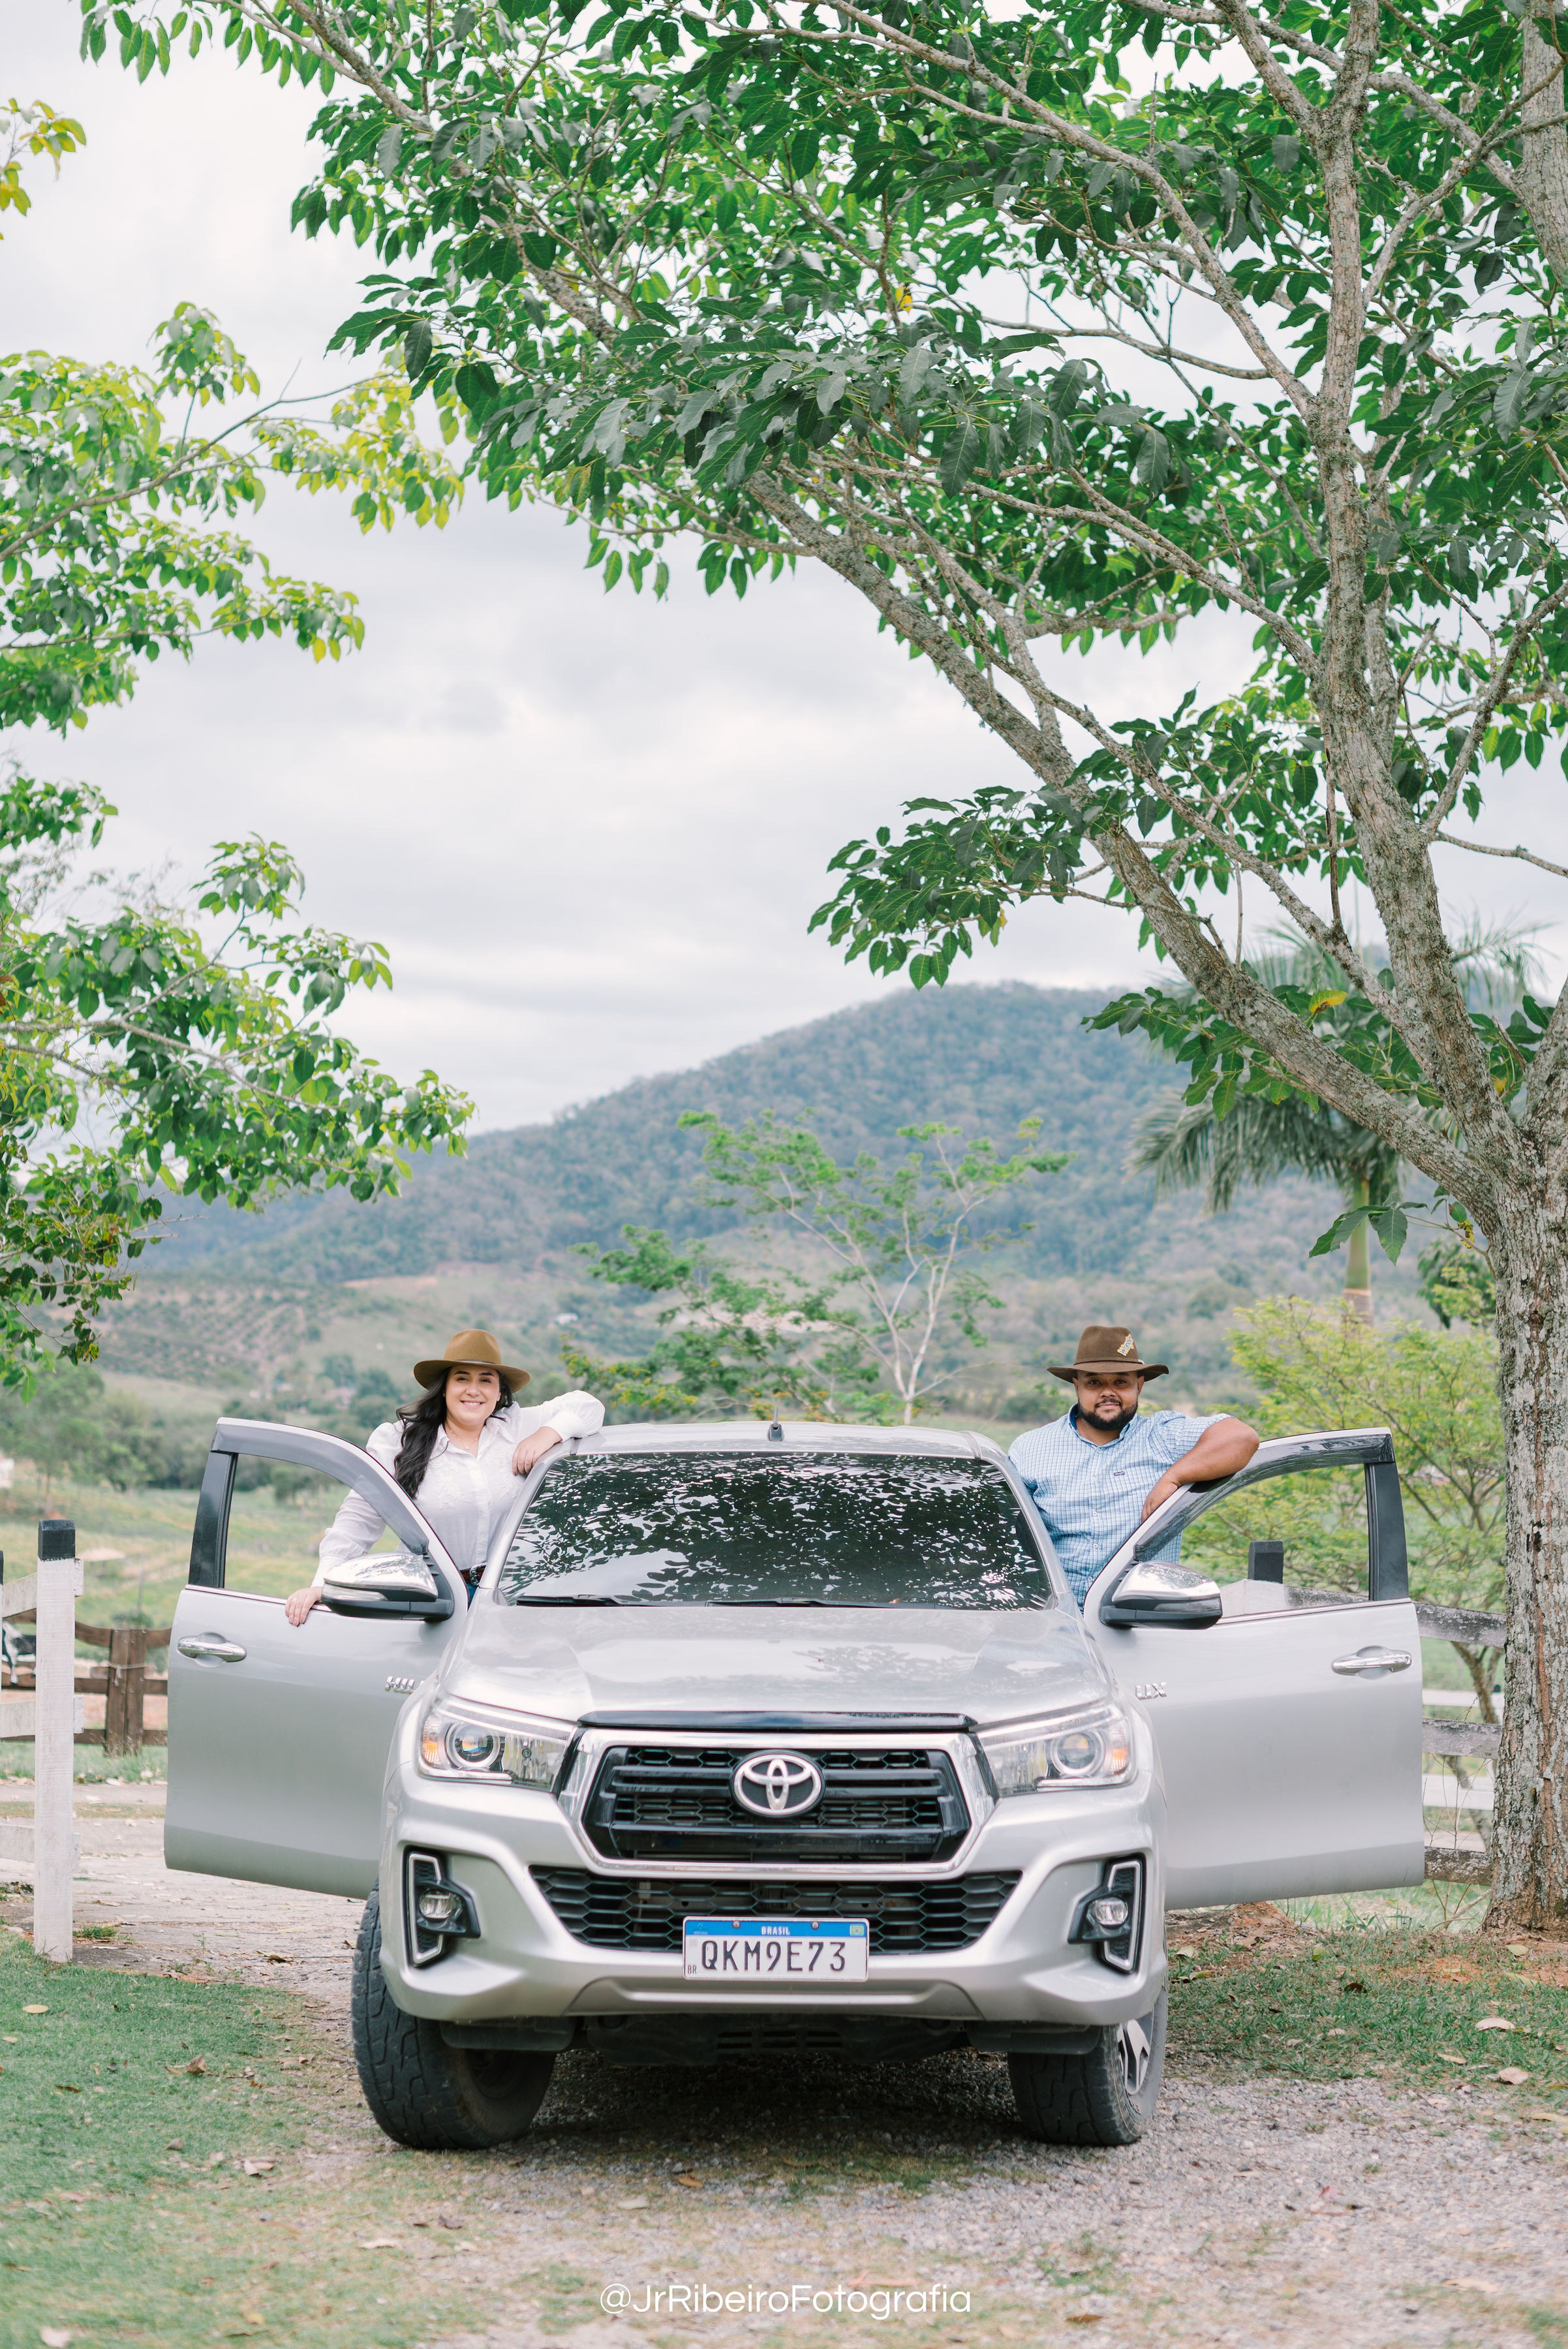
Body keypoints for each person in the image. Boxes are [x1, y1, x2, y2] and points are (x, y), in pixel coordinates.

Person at [284, 1328, 604, 1623]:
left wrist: (546, 1435)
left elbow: (589, 1407)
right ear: (444, 1388)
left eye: (486, 1380)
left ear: (499, 1393)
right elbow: (358, 1520)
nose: (473, 1391)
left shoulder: (517, 1427)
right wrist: (322, 1585)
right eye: (462, 1379)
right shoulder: (398, 1442)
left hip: (507, 1601)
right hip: (430, 1603)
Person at [1008, 1325, 1259, 1610]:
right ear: (1076, 1385)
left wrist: (1173, 1478)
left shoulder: (1163, 1437)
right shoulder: (1030, 1448)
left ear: (1139, 1385)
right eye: (1094, 1383)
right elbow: (1010, 1539)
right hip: (1052, 1616)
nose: (1108, 1393)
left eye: (1120, 1383)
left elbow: (1241, 1438)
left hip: (1140, 1620)